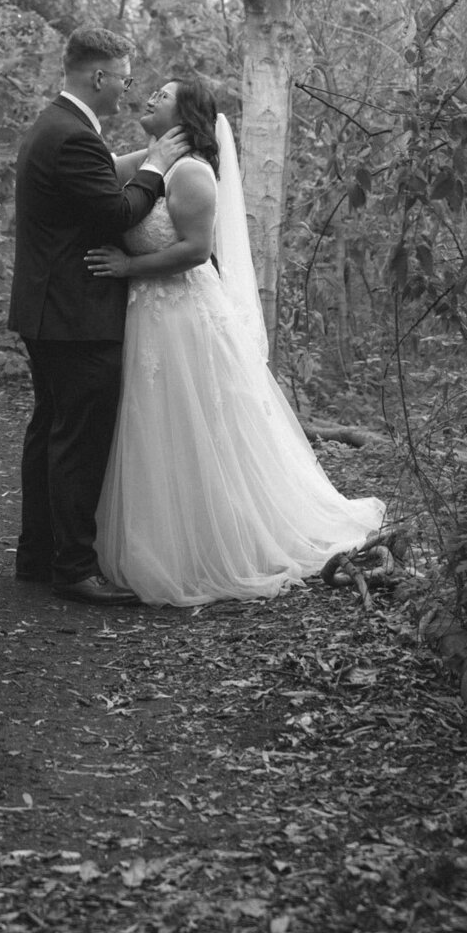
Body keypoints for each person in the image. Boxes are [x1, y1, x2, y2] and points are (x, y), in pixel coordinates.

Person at [86, 75, 385, 606]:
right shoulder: (157, 160)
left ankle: (214, 544)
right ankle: (163, 536)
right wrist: (150, 151)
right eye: (152, 90)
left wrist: (129, 265)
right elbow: (101, 171)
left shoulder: (193, 174)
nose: (151, 96)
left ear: (185, 115)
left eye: (163, 94)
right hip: (149, 316)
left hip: (183, 315)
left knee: (197, 423)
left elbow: (197, 251)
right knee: (152, 426)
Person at [8, 26, 189, 605]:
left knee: (49, 431)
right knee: (78, 440)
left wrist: (147, 156)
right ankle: (75, 568)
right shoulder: (73, 137)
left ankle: (37, 556)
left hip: (47, 310)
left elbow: (102, 171)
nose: (128, 91)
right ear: (99, 77)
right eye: (126, 79)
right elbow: (116, 210)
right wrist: (159, 164)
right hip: (77, 313)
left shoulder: (52, 125)